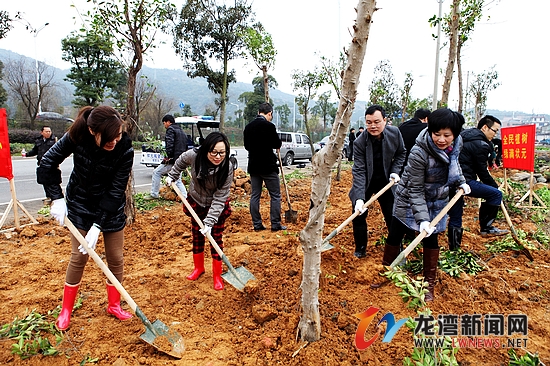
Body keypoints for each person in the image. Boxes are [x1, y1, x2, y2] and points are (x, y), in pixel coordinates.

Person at [37, 106, 134, 330]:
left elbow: (116, 188)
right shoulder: (77, 135)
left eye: (118, 135)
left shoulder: (124, 148)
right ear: (92, 131)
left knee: (116, 258)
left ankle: (114, 305)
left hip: (110, 208)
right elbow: (47, 163)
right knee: (78, 258)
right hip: (80, 204)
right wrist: (56, 198)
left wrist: (98, 224)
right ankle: (66, 310)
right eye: (109, 138)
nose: (115, 142)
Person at [375, 108, 469, 301]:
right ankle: (387, 272)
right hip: (409, 197)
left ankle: (428, 286)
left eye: (446, 135)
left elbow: (454, 164)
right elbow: (415, 189)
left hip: (437, 198)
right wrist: (423, 219)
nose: (441, 140)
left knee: (430, 239)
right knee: (396, 233)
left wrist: (461, 182)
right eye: (437, 134)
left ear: (455, 135)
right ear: (429, 130)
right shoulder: (419, 152)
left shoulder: (457, 143)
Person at [167, 132, 234, 290]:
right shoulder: (194, 156)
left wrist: (209, 222)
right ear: (206, 150)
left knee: (215, 238)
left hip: (215, 205)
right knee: (197, 235)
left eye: (222, 153)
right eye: (214, 152)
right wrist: (173, 175)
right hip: (196, 202)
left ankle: (217, 275)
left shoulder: (227, 167)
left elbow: (220, 197)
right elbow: (181, 161)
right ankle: (198, 268)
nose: (218, 157)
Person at [349, 105, 406, 258]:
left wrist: (395, 171)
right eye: (368, 122)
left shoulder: (394, 133)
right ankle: (360, 248)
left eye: (376, 121)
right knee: (358, 214)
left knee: (392, 215)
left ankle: (396, 247)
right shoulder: (360, 142)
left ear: (385, 121)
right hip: (366, 182)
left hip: (386, 182)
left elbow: (401, 153)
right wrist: (359, 198)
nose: (372, 126)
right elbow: (359, 170)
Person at [447, 115, 509, 250]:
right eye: (495, 130)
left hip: (451, 180)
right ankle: (486, 227)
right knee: (495, 194)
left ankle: (454, 250)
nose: (495, 134)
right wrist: (494, 186)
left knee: (456, 215)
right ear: (485, 127)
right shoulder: (481, 144)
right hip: (465, 181)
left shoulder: (465, 135)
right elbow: (482, 171)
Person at [243, 102, 286, 232]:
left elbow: (246, 146)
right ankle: (275, 224)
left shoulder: (248, 127)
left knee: (255, 195)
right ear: (269, 114)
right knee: (275, 195)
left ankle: (257, 224)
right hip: (268, 166)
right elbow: (276, 143)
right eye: (271, 115)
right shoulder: (269, 126)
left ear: (258, 112)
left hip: (254, 166)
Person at [146, 114, 188, 200]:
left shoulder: (170, 130)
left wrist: (169, 156)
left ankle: (154, 194)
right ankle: (184, 196)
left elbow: (170, 144)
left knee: (156, 172)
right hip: (181, 159)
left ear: (168, 122)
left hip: (173, 159)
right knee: (177, 178)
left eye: (164, 123)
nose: (164, 125)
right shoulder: (181, 131)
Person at [27, 125, 57, 200]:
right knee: (44, 181)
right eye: (46, 131)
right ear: (42, 132)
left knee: (52, 181)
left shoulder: (54, 141)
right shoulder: (39, 141)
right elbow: (35, 151)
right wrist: (26, 154)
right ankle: (48, 196)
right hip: (41, 164)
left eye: (49, 131)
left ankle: (54, 197)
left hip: (52, 165)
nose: (48, 133)